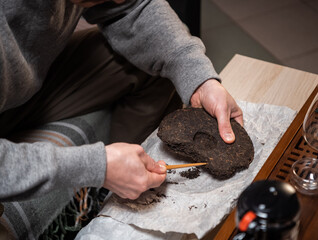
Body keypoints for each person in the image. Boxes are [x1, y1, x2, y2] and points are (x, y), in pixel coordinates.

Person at [0, 0, 243, 238]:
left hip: (13, 96)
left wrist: (200, 79)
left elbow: (133, 6)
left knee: (156, 61)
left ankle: (109, 194)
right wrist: (95, 166)